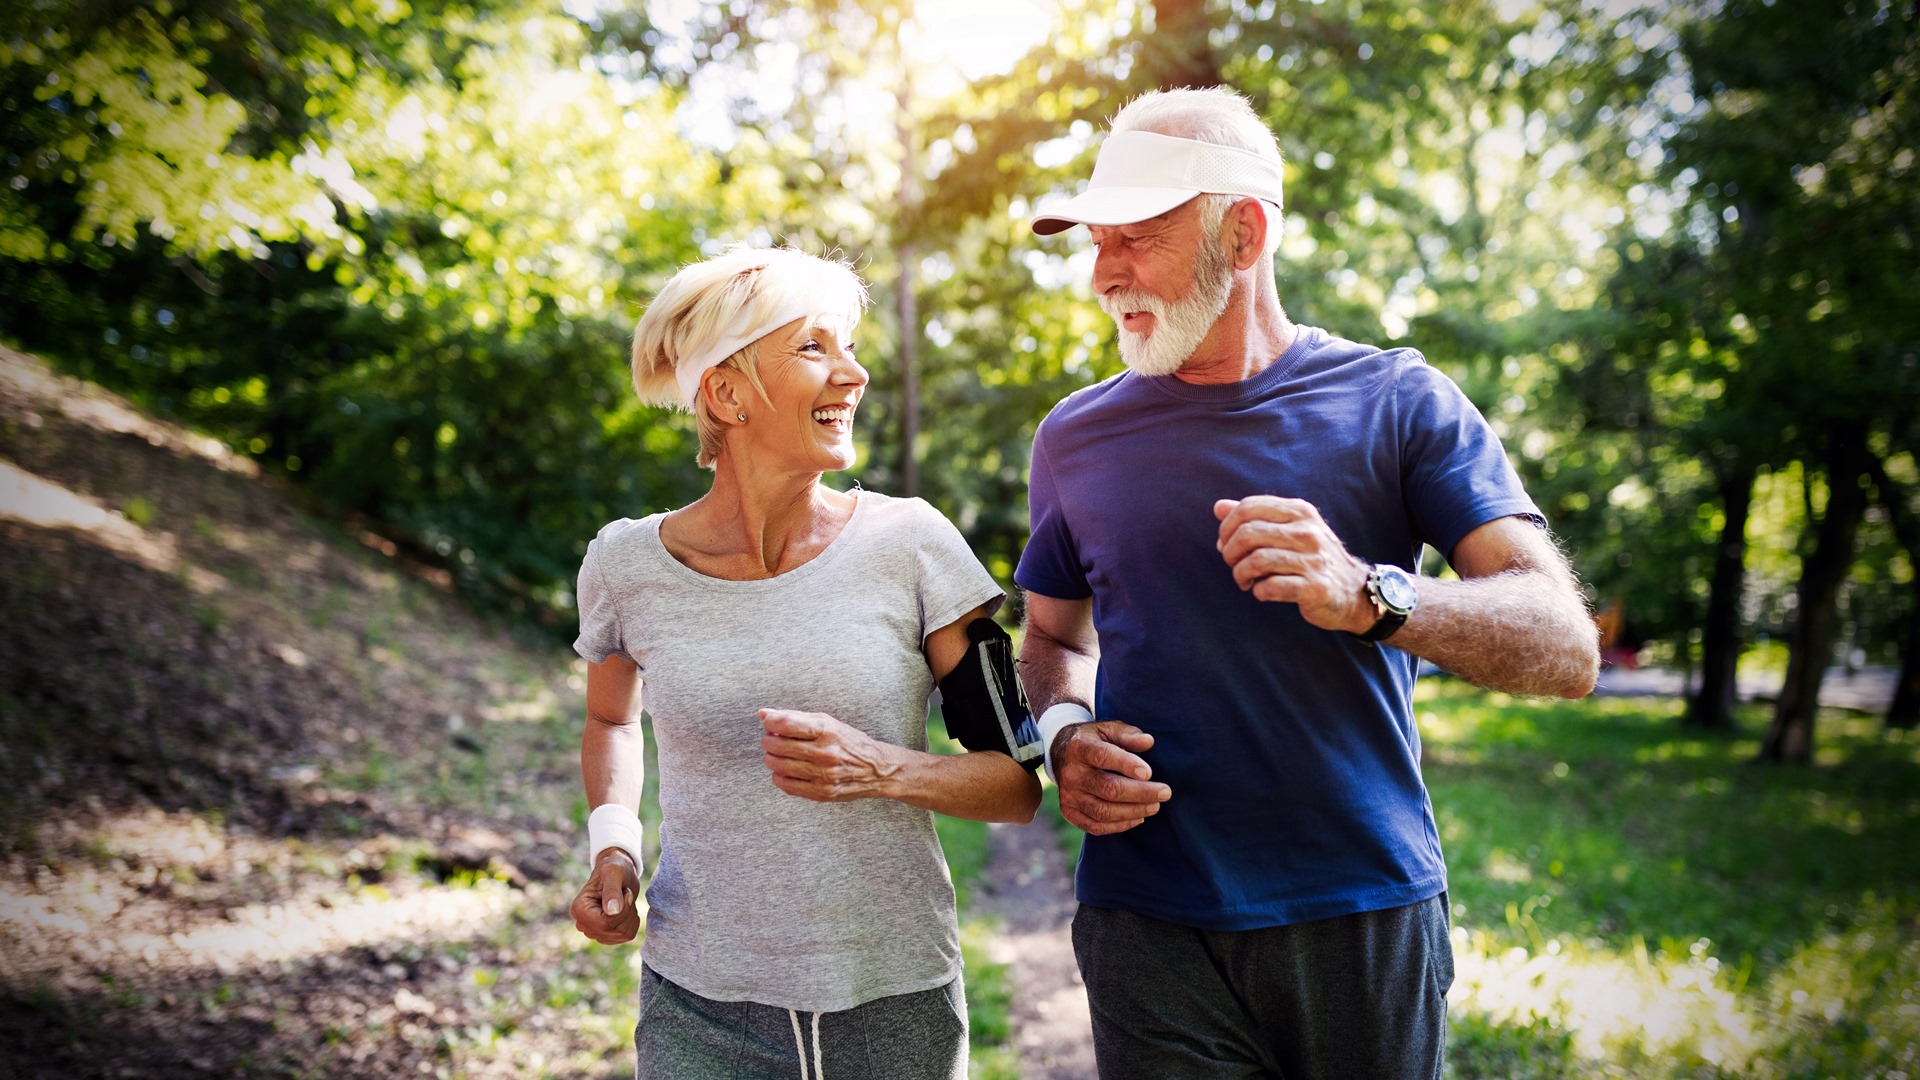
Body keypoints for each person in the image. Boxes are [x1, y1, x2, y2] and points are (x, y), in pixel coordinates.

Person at [1015, 88, 1601, 1080]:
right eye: (1094, 244)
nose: (1103, 276)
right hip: (1148, 915)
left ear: (1243, 235)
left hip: (1361, 910)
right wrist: (1064, 735)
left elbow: (1566, 644)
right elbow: (1054, 643)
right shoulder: (1074, 437)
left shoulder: (1401, 402)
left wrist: (1370, 594)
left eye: (1137, 241)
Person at [568, 246, 1044, 1080]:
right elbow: (610, 717)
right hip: (699, 1002)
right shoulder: (624, 565)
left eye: (851, 348)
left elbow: (1017, 784)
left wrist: (883, 769)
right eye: (815, 348)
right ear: (725, 391)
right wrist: (614, 848)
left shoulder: (914, 544)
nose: (853, 375)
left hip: (894, 1001)